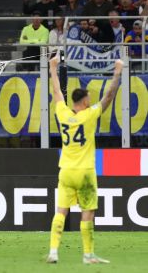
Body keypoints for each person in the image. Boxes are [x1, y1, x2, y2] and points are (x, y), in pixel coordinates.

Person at [46, 55, 123, 264]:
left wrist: (52, 67)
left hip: (66, 171)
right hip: (86, 172)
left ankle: (53, 251)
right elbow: (108, 97)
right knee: (87, 213)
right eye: (89, 97)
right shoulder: (89, 115)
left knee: (61, 211)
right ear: (85, 100)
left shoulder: (62, 113)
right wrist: (117, 72)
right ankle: (88, 255)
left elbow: (55, 91)